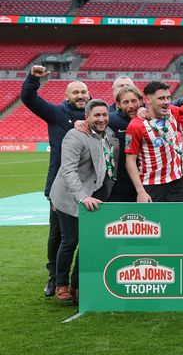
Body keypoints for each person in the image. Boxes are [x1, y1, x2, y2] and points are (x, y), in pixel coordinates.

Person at [21, 65, 88, 297]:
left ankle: (78, 281)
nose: (80, 96)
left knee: (85, 235)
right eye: (75, 92)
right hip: (60, 187)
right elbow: (28, 98)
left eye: (83, 92)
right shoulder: (56, 113)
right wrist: (32, 78)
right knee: (58, 235)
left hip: (90, 188)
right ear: (66, 96)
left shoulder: (97, 115)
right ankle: (54, 278)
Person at [49, 99, 117, 305]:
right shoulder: (75, 135)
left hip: (93, 195)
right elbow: (68, 170)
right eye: (96, 115)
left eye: (104, 115)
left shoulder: (109, 135)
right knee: (70, 241)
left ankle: (76, 285)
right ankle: (60, 283)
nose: (102, 119)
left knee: (88, 243)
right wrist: (82, 197)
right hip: (69, 196)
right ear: (86, 117)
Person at [124, 81, 183, 203]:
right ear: (149, 99)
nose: (166, 102)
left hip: (177, 183)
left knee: (180, 221)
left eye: (168, 98)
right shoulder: (135, 125)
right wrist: (140, 191)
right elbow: (130, 161)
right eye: (161, 98)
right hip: (152, 185)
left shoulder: (172, 112)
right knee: (155, 222)